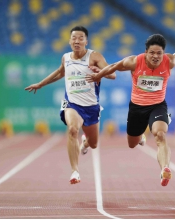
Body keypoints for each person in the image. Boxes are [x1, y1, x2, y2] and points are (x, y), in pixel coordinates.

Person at [85, 34, 175, 186]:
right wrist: (98, 75)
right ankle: (140, 137)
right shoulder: (134, 61)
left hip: (157, 105)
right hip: (137, 107)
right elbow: (114, 66)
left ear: (163, 53)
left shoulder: (169, 61)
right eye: (152, 52)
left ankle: (165, 168)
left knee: (160, 135)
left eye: (159, 53)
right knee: (132, 143)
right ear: (146, 52)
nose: (155, 56)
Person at [25, 26, 116, 184]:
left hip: (91, 106)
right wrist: (40, 84)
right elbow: (60, 73)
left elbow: (113, 74)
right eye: (74, 38)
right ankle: (75, 171)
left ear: (86, 41)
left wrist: (99, 73)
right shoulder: (66, 58)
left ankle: (85, 142)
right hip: (72, 104)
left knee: (93, 143)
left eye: (81, 38)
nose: (77, 41)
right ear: (69, 41)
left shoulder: (94, 56)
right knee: (72, 129)